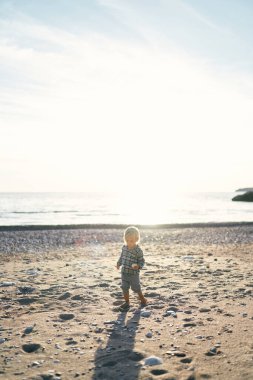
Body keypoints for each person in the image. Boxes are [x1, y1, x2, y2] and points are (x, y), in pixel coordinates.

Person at [116, 226, 147, 311]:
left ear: (136, 239)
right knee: (124, 287)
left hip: (133, 274)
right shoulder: (124, 248)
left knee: (136, 288)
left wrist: (138, 266)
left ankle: (142, 299)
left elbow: (142, 261)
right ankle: (127, 302)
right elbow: (122, 257)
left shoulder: (138, 251)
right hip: (124, 272)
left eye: (131, 241)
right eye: (127, 240)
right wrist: (119, 263)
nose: (129, 243)